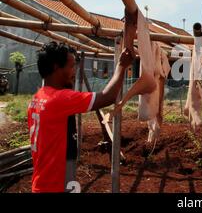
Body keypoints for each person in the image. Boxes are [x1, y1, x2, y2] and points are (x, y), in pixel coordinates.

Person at [27, 41, 134, 193]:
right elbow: (108, 97)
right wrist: (121, 66)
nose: (75, 71)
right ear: (57, 67)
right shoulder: (60, 99)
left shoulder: (36, 98)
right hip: (56, 185)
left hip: (42, 181)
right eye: (71, 66)